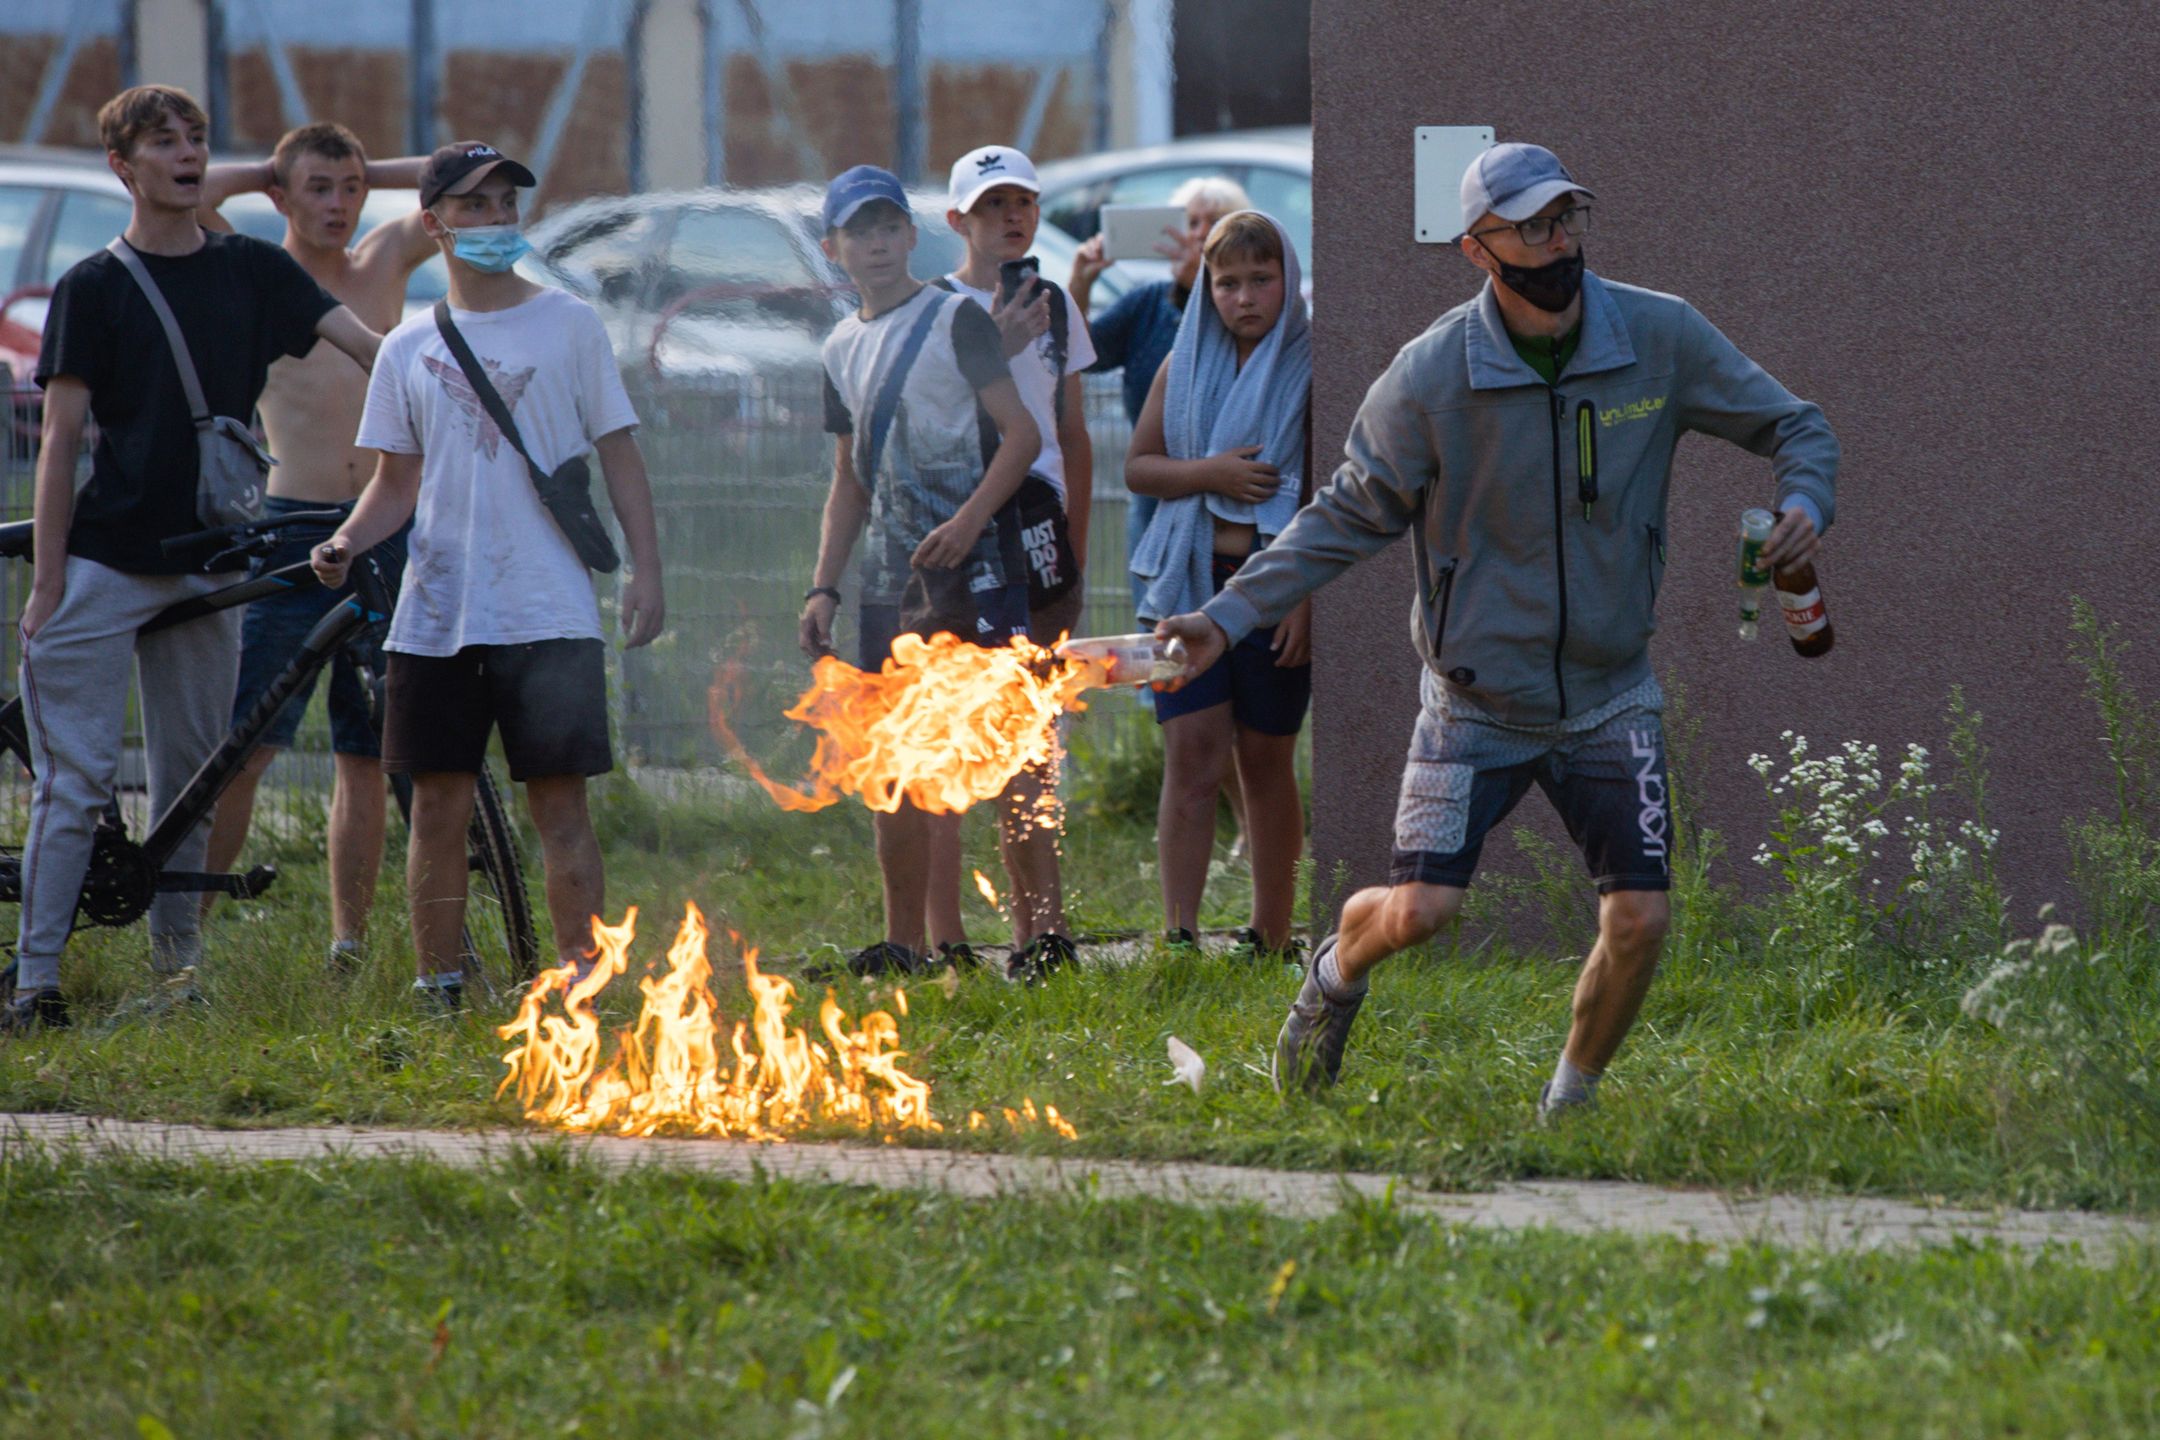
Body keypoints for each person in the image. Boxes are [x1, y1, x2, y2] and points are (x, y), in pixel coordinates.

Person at [1154, 143, 1838, 1118]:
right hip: (1472, 702)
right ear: (1478, 247)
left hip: (1612, 693)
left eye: (1566, 219)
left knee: (1641, 917)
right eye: (1531, 226)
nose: (1558, 240)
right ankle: (1338, 965)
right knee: (1422, 912)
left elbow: (1797, 427)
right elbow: (1343, 516)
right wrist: (1227, 618)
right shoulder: (1432, 378)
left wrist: (1806, 499)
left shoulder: (1658, 338)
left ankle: (1570, 1105)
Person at [5, 86, 382, 1033]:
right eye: (162, 142)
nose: (184, 153)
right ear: (121, 168)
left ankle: (178, 977)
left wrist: (453, 383)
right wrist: (49, 580)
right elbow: (59, 441)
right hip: (103, 560)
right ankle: (34, 983)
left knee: (193, 779)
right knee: (75, 779)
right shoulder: (93, 284)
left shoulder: (254, 269)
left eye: (197, 140)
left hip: (212, 562)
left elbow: (369, 348)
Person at [310, 141, 665, 1013]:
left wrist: (646, 573)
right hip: (437, 612)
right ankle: (440, 987)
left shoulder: (570, 323)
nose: (496, 219)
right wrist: (347, 543)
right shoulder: (405, 346)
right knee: (436, 809)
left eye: (506, 202)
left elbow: (620, 455)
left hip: (550, 609)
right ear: (433, 225)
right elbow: (395, 484)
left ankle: (580, 986)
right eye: (474, 205)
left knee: (560, 809)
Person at [194, 123, 438, 970]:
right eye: (320, 189)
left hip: (384, 525)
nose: (338, 205)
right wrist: (270, 166)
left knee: (366, 753)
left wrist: (371, 166)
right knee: (249, 743)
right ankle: (182, 939)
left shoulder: (383, 264)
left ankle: (349, 941)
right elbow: (186, 194)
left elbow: (464, 174)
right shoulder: (262, 270)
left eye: (351, 188)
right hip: (293, 527)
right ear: (282, 197)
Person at [796, 165, 1041, 978]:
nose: (873, 242)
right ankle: (906, 943)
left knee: (1005, 756)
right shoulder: (839, 346)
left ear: (910, 234)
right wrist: (824, 585)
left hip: (974, 576)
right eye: (856, 231)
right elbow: (848, 478)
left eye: (887, 226)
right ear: (834, 250)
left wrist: (968, 521)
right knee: (891, 768)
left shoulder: (956, 321)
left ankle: (1041, 941)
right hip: (884, 588)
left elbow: (1021, 436)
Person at [1127, 212, 1312, 961]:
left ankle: (1270, 935)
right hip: (1188, 587)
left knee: (1266, 761)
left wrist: (1304, 592)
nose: (1244, 298)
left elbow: (1329, 496)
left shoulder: (1313, 364)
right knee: (1192, 759)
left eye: (1261, 280)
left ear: (1288, 281)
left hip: (1273, 592)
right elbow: (1140, 467)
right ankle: (1178, 934)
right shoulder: (1182, 366)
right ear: (1206, 288)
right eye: (1227, 282)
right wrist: (1211, 475)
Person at [940, 145, 1095, 981]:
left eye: (1023, 203)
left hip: (1037, 542)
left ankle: (1045, 933)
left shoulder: (1058, 307)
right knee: (946, 745)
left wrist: (1076, 551)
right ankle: (942, 936)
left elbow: (1071, 434)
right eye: (992, 204)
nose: (1010, 218)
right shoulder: (935, 311)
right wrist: (988, 348)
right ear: (957, 220)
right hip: (960, 541)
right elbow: (932, 424)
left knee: (1029, 746)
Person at [1070, 176, 1252, 611]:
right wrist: (1081, 282)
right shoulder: (1148, 303)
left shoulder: (1246, 304)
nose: (1200, 234)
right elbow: (1079, 354)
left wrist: (1202, 282)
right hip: (1155, 502)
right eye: (1190, 222)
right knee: (1159, 637)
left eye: (1216, 223)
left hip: (1234, 506)